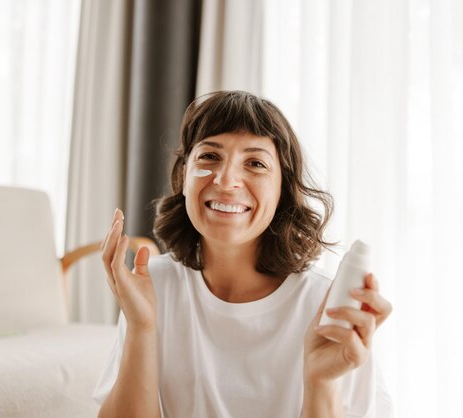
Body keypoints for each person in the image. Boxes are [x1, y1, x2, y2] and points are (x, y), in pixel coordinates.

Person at [93, 91, 393, 418]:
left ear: (283, 189)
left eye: (255, 163)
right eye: (209, 157)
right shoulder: (153, 287)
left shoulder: (326, 309)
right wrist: (142, 327)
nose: (226, 180)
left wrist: (320, 381)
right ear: (184, 176)